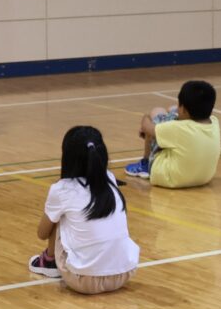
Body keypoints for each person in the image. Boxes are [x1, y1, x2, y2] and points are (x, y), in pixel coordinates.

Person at [28, 126, 140, 294]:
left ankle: (49, 261)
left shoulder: (62, 189)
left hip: (83, 280)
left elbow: (42, 233)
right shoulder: (110, 179)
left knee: (58, 216)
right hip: (124, 273)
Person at [126, 80, 221, 188]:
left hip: (169, 177)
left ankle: (145, 163)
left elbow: (146, 127)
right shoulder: (214, 121)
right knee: (171, 111)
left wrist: (146, 117)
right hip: (204, 178)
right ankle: (172, 113)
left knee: (156, 111)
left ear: (184, 109)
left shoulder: (178, 128)